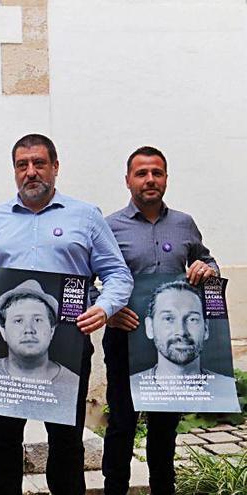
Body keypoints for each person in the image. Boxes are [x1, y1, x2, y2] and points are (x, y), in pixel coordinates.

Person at [0, 133, 133, 494]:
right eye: (22, 165)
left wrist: (104, 308)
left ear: (55, 167)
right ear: (14, 171)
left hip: (68, 349)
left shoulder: (85, 216)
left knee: (66, 447)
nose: (31, 172)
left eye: (39, 163)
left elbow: (118, 275)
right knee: (3, 447)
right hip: (3, 355)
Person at [103, 146, 221, 495]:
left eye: (157, 172)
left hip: (171, 345)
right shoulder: (110, 227)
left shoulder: (184, 224)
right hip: (126, 337)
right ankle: (115, 489)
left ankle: (163, 489)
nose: (150, 180)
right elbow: (91, 279)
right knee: (122, 423)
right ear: (128, 181)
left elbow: (208, 262)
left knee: (164, 427)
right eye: (141, 173)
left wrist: (207, 268)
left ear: (166, 178)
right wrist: (107, 311)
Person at [0, 279, 79, 424]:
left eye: (38, 320)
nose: (29, 330)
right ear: (3, 331)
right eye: (18, 321)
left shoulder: (72, 383)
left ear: (52, 329)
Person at [129, 280, 234, 406]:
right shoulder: (131, 389)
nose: (181, 332)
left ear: (206, 328)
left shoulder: (226, 390)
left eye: (192, 319)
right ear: (150, 327)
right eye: (168, 318)